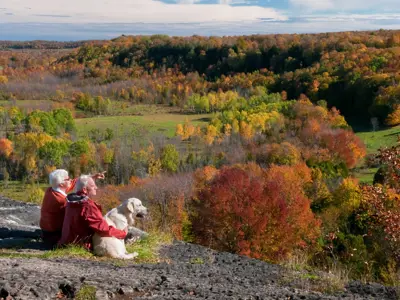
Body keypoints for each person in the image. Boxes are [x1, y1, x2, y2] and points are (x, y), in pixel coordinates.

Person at [40, 169, 106, 248]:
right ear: (61, 184)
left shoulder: (51, 190)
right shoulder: (63, 201)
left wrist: (92, 177)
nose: (70, 180)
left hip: (46, 232)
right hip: (55, 236)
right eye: (68, 179)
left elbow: (74, 182)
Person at [58, 175, 127, 250]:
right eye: (93, 186)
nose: (96, 187)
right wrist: (123, 233)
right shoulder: (87, 205)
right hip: (80, 245)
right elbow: (103, 230)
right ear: (84, 189)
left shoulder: (70, 201)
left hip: (65, 243)